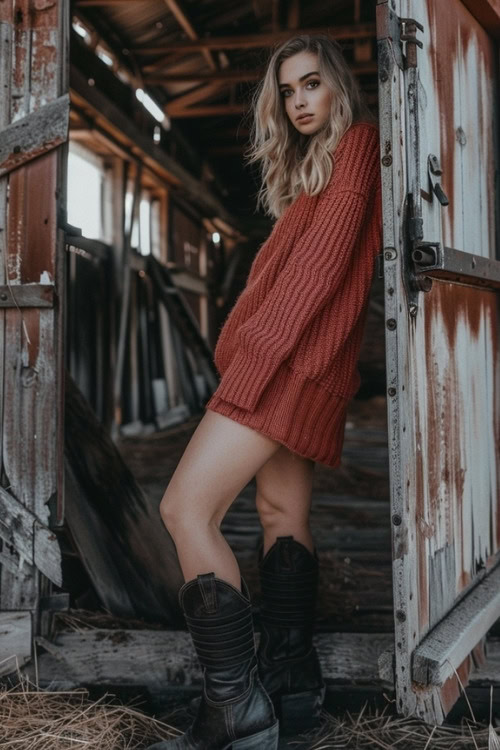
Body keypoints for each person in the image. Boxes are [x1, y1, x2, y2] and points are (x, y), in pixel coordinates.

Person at [147, 34, 382, 750]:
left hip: (282, 368)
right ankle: (291, 685)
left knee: (185, 508)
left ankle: (236, 709)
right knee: (280, 511)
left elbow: (314, 275)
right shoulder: (319, 167)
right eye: (288, 90)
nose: (300, 101)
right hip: (306, 368)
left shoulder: (359, 146)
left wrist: (249, 363)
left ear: (340, 87)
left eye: (312, 84)